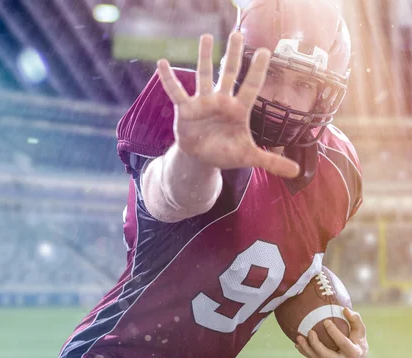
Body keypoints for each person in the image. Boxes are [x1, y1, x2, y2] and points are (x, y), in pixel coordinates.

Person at [59, 0, 367, 357]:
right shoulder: (196, 115)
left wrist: (340, 341)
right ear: (239, 66)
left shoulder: (338, 169)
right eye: (269, 73)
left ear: (324, 95)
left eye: (303, 84)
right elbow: (169, 198)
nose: (283, 97)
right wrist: (194, 156)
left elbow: (289, 268)